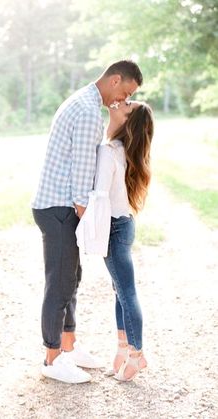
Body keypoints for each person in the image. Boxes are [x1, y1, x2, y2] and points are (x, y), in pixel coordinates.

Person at [32, 60, 143, 383]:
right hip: (59, 207)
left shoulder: (83, 100)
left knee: (71, 277)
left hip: (57, 205)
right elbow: (82, 188)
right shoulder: (88, 114)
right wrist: (97, 230)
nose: (122, 100)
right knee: (60, 283)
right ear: (115, 79)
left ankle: (69, 346)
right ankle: (53, 359)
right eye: (125, 92)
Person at [76, 100, 154, 381]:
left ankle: (137, 354)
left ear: (128, 121)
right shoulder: (128, 152)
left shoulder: (109, 152)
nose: (122, 102)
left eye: (128, 104)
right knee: (121, 289)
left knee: (127, 291)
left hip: (114, 227)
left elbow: (99, 194)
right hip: (125, 223)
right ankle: (123, 347)